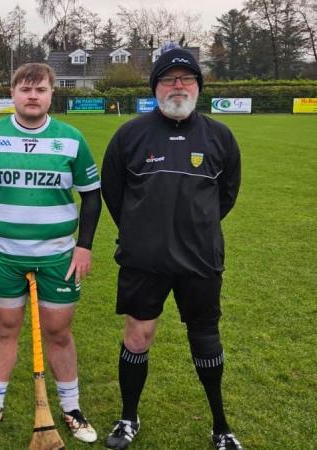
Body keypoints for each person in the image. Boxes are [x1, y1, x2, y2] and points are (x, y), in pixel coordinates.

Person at [100, 45, 242, 450]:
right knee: (137, 337)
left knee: (205, 338)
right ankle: (128, 418)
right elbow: (115, 194)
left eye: (186, 78)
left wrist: (195, 227)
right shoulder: (130, 135)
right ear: (155, 86)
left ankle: (221, 426)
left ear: (198, 85)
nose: (177, 86)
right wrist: (142, 231)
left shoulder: (219, 136)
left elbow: (226, 196)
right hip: (144, 261)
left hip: (200, 260)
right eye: (168, 78)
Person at [0, 62, 101, 444]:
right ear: (12, 94)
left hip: (57, 254)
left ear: (52, 94)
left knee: (59, 331)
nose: (32, 96)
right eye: (25, 89)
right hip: (1, 254)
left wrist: (83, 247)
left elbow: (92, 197)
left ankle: (71, 407)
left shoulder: (71, 139)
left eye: (40, 90)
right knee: (4, 329)